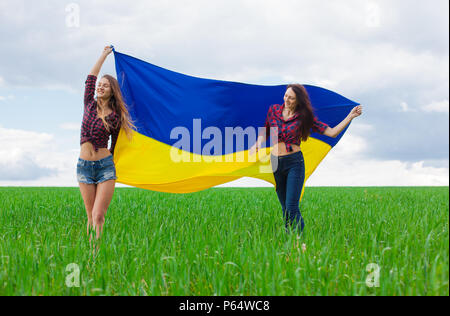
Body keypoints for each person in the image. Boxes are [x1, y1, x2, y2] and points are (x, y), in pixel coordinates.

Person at [250, 84, 362, 235]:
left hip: (294, 164)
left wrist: (350, 116)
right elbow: (266, 130)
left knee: (292, 207)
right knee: (284, 208)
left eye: (291, 98)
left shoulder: (304, 117)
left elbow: (331, 132)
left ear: (298, 100)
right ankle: (289, 239)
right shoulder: (274, 110)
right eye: (286, 96)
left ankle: (299, 242)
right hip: (275, 163)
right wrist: (258, 142)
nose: (287, 100)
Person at [77, 46, 134, 243]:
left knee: (98, 216)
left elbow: (116, 144)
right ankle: (90, 258)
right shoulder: (89, 103)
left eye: (105, 86)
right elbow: (91, 77)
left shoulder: (116, 116)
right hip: (84, 167)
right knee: (90, 216)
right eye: (99, 85)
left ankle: (96, 256)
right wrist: (103, 55)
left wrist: (112, 158)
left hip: (105, 168)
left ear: (112, 92)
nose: (100, 87)